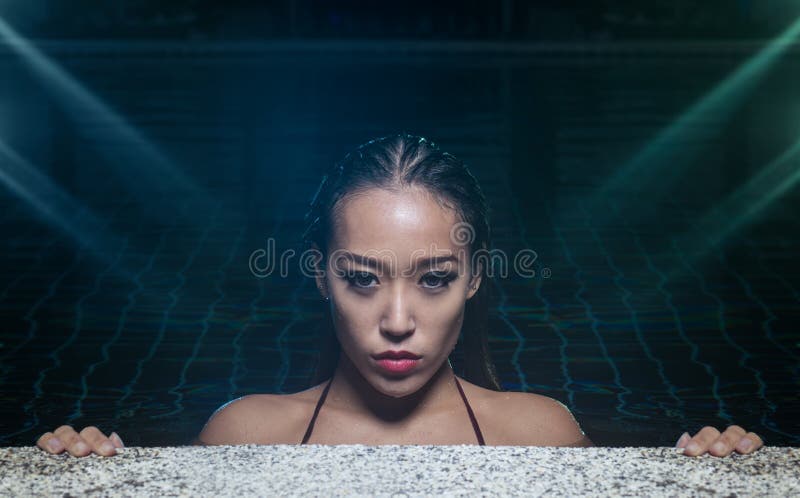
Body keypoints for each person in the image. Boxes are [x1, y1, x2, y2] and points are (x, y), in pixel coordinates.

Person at [36, 133, 764, 458]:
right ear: (320, 274)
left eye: (434, 279)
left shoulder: (538, 433)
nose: (396, 321)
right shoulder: (246, 433)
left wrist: (711, 465)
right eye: (361, 278)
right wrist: (88, 464)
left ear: (475, 278)